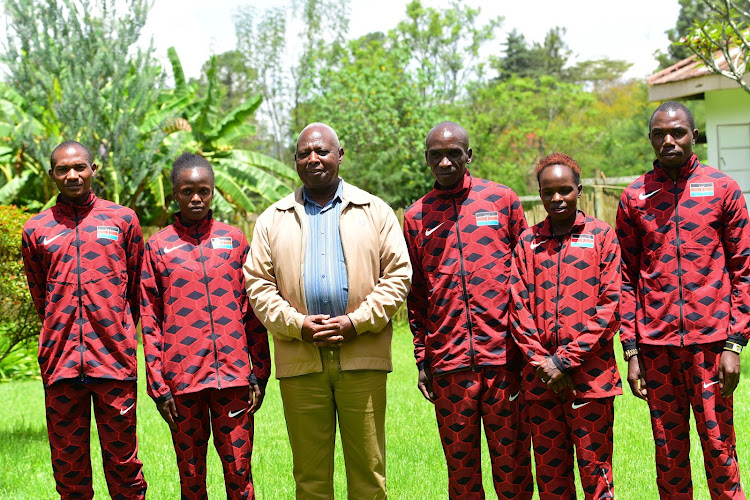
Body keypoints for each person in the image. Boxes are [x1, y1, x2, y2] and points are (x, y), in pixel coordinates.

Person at [244, 122, 411, 499]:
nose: (313, 159)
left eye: (322, 151)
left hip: (361, 358)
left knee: (369, 474)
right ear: (295, 161)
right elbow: (257, 284)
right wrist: (298, 325)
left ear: (340, 155)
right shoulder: (273, 219)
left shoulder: (375, 211)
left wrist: (357, 322)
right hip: (301, 361)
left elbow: (399, 275)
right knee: (310, 477)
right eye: (304, 153)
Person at [617, 101, 750, 499]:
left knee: (719, 448)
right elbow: (624, 279)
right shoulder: (635, 196)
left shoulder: (723, 189)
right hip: (656, 349)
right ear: (651, 139)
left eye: (677, 131)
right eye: (660, 133)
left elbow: (744, 270)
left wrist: (735, 343)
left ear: (694, 135)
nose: (668, 140)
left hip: (710, 345)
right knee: (669, 456)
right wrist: (632, 350)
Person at [403, 121, 533, 499]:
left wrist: (526, 348)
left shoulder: (502, 201)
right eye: (435, 156)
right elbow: (418, 296)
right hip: (449, 364)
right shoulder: (416, 217)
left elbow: (526, 275)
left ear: (469, 155)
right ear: (426, 160)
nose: (445, 162)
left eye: (453, 154)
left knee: (513, 467)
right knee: (461, 473)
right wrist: (422, 358)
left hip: (503, 359)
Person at [140, 153, 271, 500]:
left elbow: (252, 311)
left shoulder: (235, 241)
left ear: (213, 192)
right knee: (192, 476)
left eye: (203, 190)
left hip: (234, 378)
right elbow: (149, 320)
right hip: (181, 383)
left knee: (239, 474)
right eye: (187, 191)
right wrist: (158, 384)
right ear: (175, 194)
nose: (196, 198)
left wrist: (259, 370)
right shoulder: (158, 247)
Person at [21, 141, 147, 499]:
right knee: (68, 466)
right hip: (60, 365)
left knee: (124, 464)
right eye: (62, 169)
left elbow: (135, 290)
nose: (71, 175)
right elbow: (40, 296)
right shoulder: (36, 229)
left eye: (79, 167)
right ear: (52, 176)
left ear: (94, 170)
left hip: (113, 363)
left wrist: (117, 331)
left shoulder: (122, 220)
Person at [510, 153, 622, 499]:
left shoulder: (602, 237)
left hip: (591, 379)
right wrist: (545, 363)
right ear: (540, 194)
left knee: (597, 475)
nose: (557, 198)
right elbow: (518, 308)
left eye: (565, 190)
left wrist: (565, 361)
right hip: (540, 380)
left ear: (580, 190)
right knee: (551, 478)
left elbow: (610, 307)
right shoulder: (528, 243)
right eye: (548, 192)